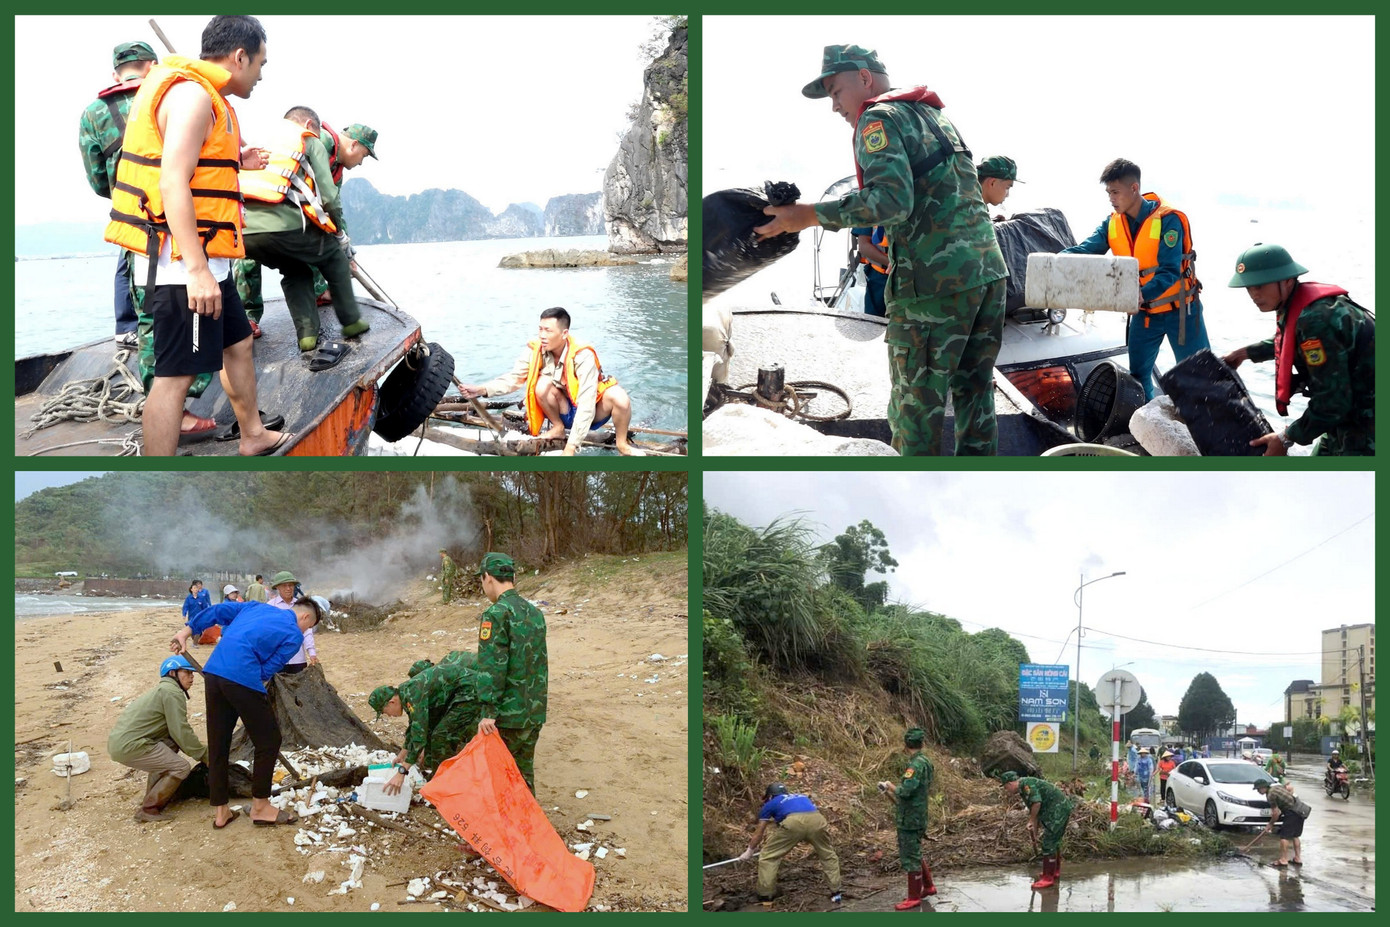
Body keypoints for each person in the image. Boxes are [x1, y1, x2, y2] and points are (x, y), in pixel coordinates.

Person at [755, 45, 1009, 456]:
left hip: (934, 287)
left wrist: (805, 215)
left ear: (864, 78)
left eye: (836, 92)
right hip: (987, 276)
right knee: (975, 396)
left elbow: (891, 202)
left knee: (915, 411)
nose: (835, 107)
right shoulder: (932, 114)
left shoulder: (878, 119)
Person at [102, 15, 290, 457]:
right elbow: (171, 183)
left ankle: (252, 434)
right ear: (240, 56)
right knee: (175, 378)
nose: (261, 75)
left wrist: (236, 161)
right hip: (181, 266)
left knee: (238, 343)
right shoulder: (192, 96)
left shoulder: (205, 98)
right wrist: (198, 271)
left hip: (207, 259)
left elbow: (196, 166)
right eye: (261, 63)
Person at [1060, 158, 1210, 400]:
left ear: (1134, 188)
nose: (1111, 198)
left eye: (1115, 192)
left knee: (1199, 375)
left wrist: (1141, 294)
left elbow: (1170, 271)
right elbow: (1085, 250)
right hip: (1145, 313)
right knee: (1138, 376)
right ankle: (1149, 426)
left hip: (1181, 312)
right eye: (1108, 192)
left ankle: (1207, 431)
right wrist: (1054, 261)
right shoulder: (1111, 223)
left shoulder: (1168, 220)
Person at [171, 594, 326, 828]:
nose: (305, 631)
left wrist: (186, 631)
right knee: (269, 741)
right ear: (305, 616)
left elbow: (219, 611)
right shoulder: (294, 634)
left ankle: (221, 812)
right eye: (309, 627)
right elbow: (269, 669)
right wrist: (250, 671)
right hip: (242, 677)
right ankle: (260, 807)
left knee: (219, 743)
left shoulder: (254, 607)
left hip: (214, 673)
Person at [239, 105, 368, 356]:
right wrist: (341, 241)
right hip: (283, 225)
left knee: (294, 269)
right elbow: (330, 198)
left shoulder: (260, 142)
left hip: (243, 232)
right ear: (309, 126)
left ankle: (308, 338)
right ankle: (351, 322)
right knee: (333, 258)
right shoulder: (309, 141)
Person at [1222, 243, 1374, 456]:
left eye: (1260, 285)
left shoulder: (1315, 320)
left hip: (1367, 421)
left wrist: (1286, 438)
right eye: (1248, 287)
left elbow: (1332, 403)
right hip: (1344, 417)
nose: (1253, 294)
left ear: (1286, 280)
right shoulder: (1300, 305)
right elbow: (1288, 341)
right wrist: (1244, 354)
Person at [459, 307, 638, 455]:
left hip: (592, 412)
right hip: (563, 409)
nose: (542, 335)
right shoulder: (537, 349)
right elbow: (514, 378)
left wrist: (571, 447)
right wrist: (481, 390)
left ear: (564, 333)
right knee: (541, 384)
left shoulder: (583, 356)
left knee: (619, 397)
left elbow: (586, 402)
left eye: (548, 330)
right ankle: (558, 427)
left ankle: (622, 443)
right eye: (540, 329)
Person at [79, 41, 159, 345]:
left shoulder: (94, 113)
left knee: (128, 261)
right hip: (179, 207)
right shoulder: (171, 96)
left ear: (117, 75)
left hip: (130, 211)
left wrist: (119, 192)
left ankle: (127, 328)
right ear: (152, 66)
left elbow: (97, 177)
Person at [473, 553, 547, 793]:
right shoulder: (534, 613)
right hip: (533, 711)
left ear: (488, 578)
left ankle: (507, 828)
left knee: (501, 779)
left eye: (482, 582)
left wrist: (488, 711)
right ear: (512, 577)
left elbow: (492, 666)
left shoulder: (496, 614)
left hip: (507, 716)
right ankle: (530, 827)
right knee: (524, 777)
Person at [107, 655, 208, 822]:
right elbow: (181, 731)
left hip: (122, 743)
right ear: (173, 673)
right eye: (187, 673)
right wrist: (204, 754)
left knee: (170, 746)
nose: (191, 678)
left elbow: (175, 736)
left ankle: (151, 796)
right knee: (181, 767)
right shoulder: (172, 692)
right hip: (131, 746)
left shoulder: (162, 690)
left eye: (192, 674)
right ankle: (149, 808)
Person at [368, 659, 481, 794]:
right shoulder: (406, 693)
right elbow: (414, 726)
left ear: (391, 702)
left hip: (471, 691)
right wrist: (403, 753)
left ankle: (446, 787)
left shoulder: (412, 694)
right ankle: (439, 777)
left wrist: (402, 771)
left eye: (385, 712)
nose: (389, 716)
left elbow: (419, 735)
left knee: (441, 736)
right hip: (459, 693)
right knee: (435, 734)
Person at [738, 783, 842, 904]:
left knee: (768, 856)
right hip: (817, 820)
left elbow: (759, 832)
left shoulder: (770, 804)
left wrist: (749, 851)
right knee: (827, 855)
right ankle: (836, 892)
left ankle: (765, 895)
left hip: (794, 823)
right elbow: (805, 818)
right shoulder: (801, 797)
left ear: (770, 796)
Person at [878, 727, 937, 908]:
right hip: (919, 813)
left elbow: (905, 791)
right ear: (922, 743)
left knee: (910, 855)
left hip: (910, 817)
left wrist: (889, 786)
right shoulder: (926, 761)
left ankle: (913, 897)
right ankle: (928, 886)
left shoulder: (914, 765)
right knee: (915, 851)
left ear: (906, 745)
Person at [1000, 771, 1074, 889]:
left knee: (1049, 843)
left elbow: (1036, 803)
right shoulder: (1024, 787)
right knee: (1054, 841)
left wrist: (1031, 820)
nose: (1007, 790)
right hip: (1057, 809)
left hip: (1058, 810)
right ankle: (1054, 871)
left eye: (1006, 787)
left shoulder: (1027, 785)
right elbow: (1034, 809)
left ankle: (1047, 878)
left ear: (1010, 783)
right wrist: (1034, 830)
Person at [267, 570, 317, 666]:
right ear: (277, 587)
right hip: (277, 659)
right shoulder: (270, 606)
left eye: (291, 585)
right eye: (284, 586)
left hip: (298, 659)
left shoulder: (301, 606)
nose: (288, 588)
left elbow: (307, 632)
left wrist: (312, 653)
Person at [1253, 777, 1305, 868]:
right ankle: (1297, 858)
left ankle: (1283, 860)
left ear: (1263, 788)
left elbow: (1276, 813)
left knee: (1284, 837)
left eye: (1258, 789)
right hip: (1300, 810)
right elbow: (1289, 788)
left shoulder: (1270, 795)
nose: (1257, 791)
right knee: (1295, 836)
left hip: (1292, 813)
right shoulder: (1276, 787)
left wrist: (1270, 824)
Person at [851, 225, 890, 317]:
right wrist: (892, 263)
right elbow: (864, 245)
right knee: (874, 323)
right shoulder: (868, 210)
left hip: (915, 278)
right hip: (879, 280)